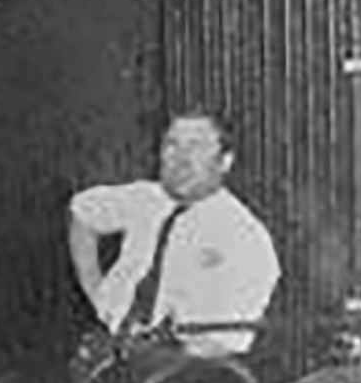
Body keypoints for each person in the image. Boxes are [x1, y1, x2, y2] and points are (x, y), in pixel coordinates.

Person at [67, 110, 281, 361]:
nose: (181, 159)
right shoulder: (146, 199)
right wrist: (97, 295)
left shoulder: (245, 238)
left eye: (196, 147)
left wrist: (147, 354)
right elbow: (82, 213)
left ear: (225, 162)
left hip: (183, 370)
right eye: (172, 145)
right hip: (108, 349)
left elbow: (220, 344)